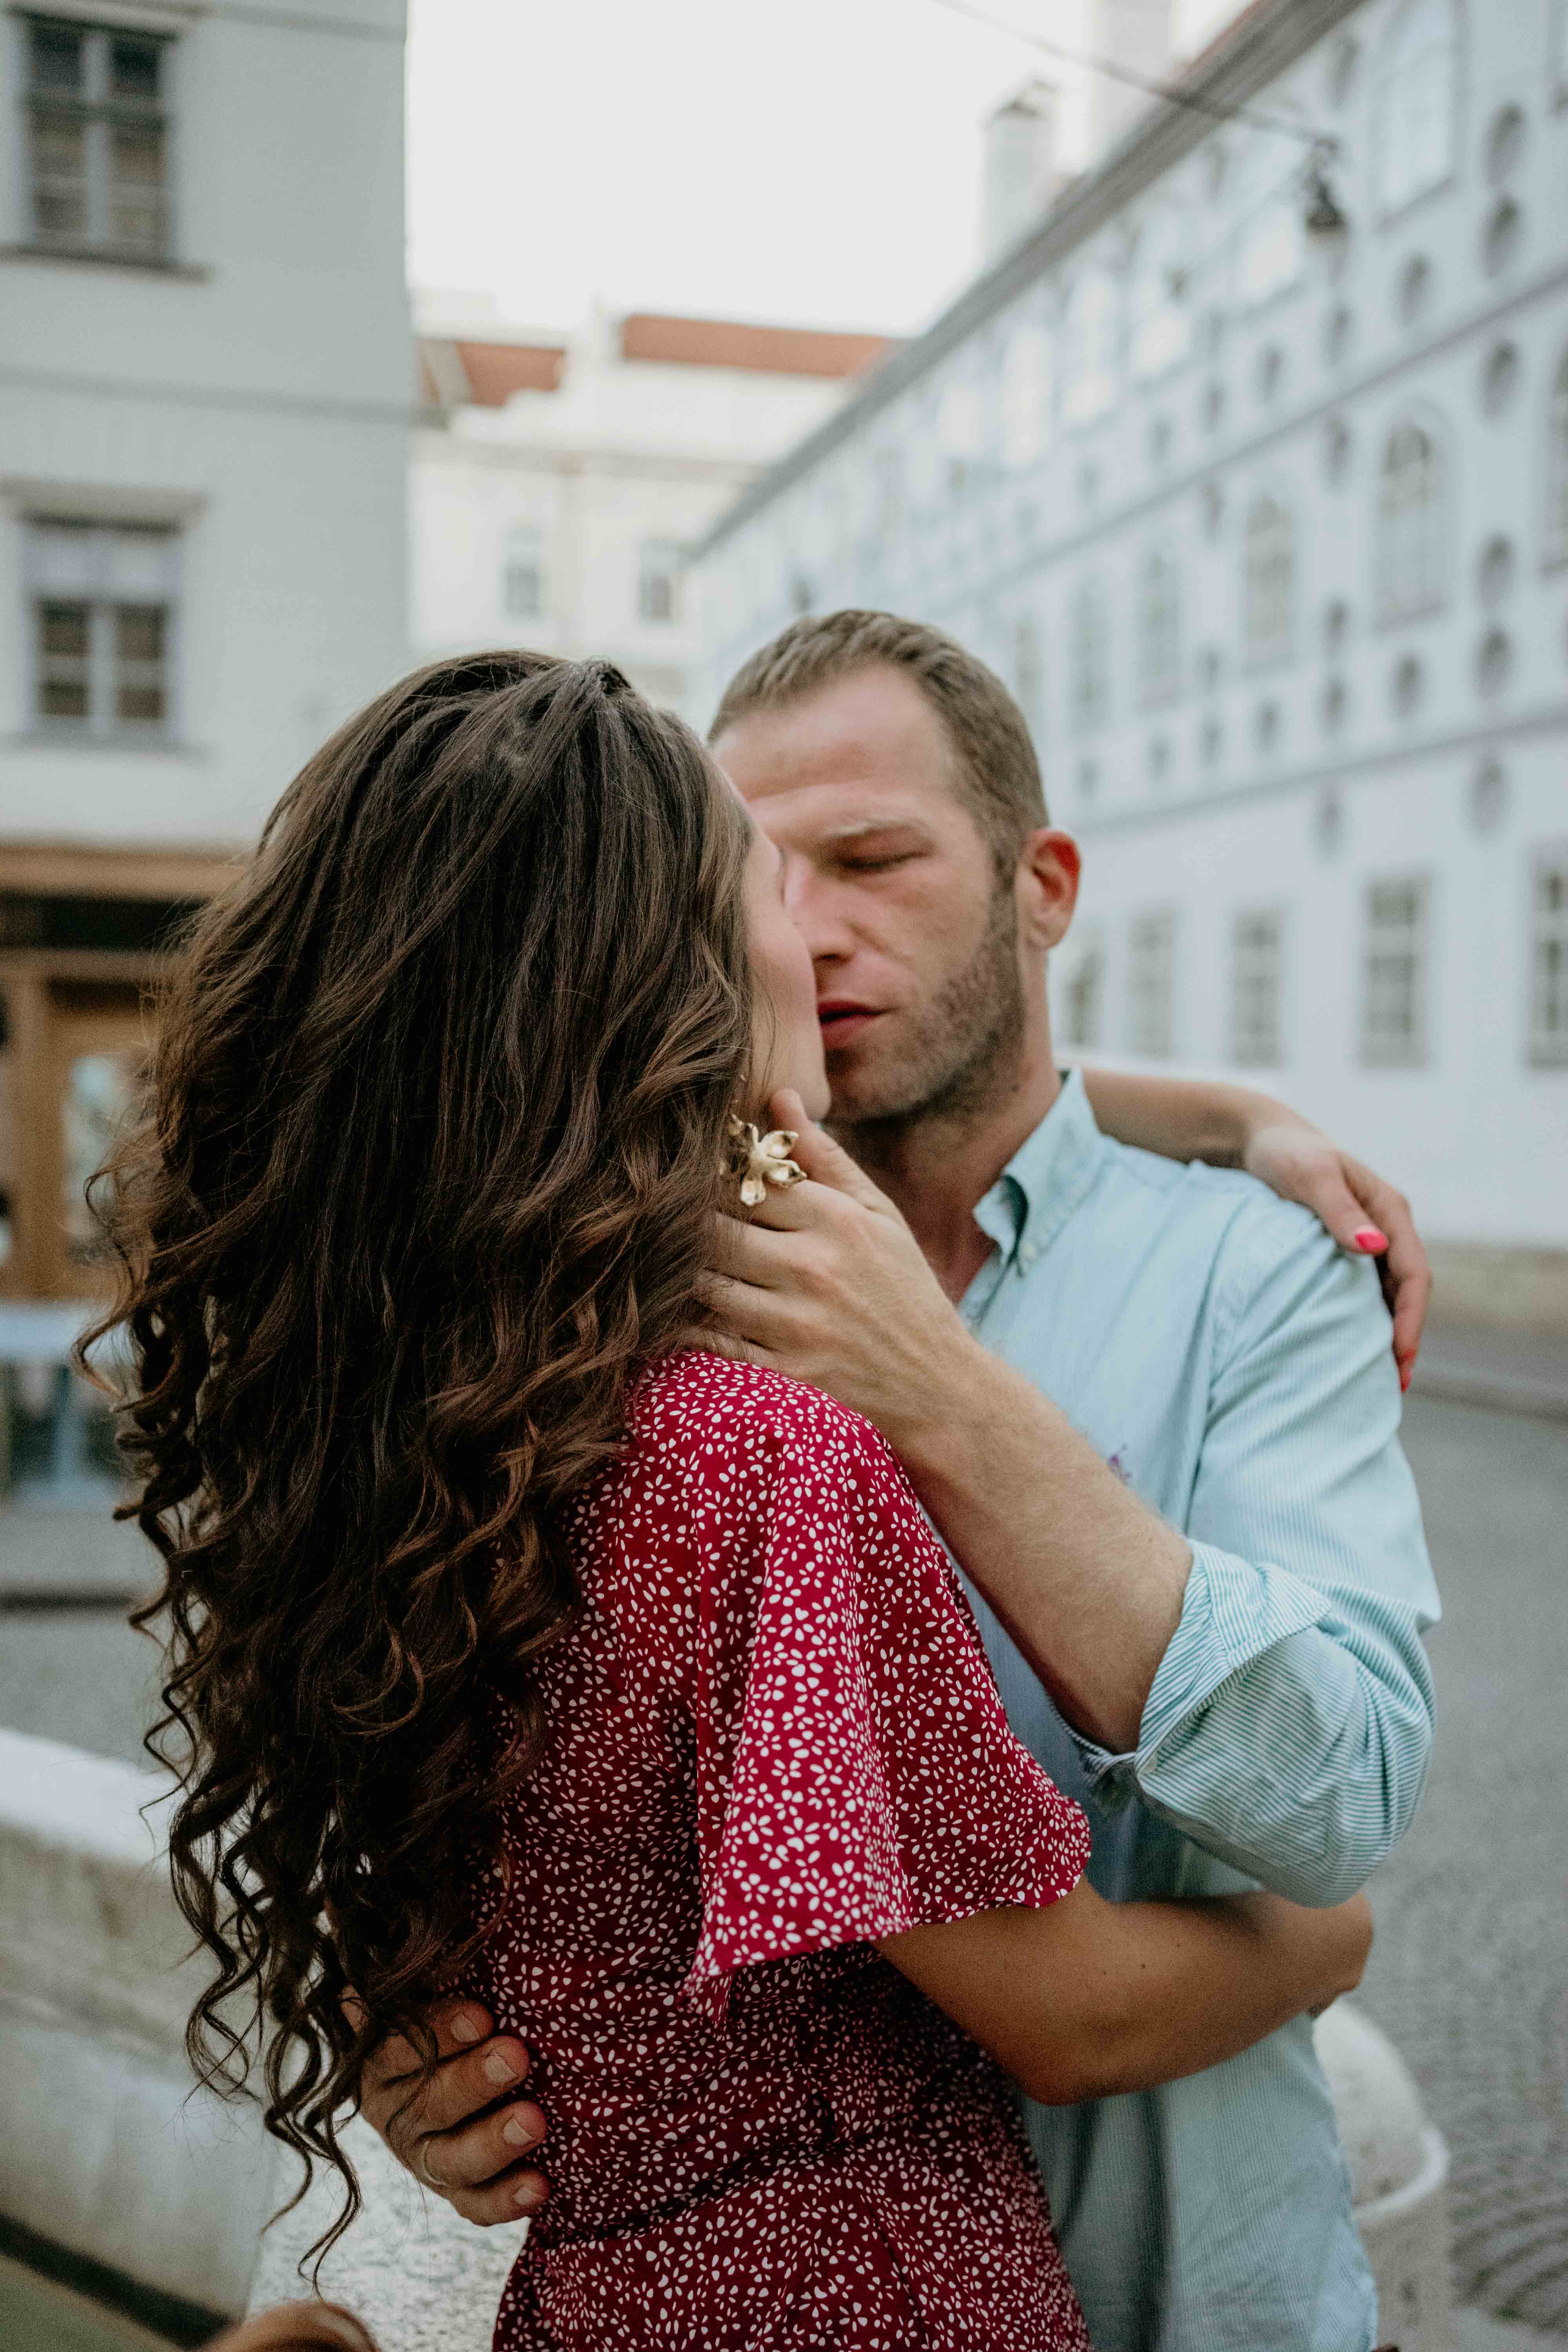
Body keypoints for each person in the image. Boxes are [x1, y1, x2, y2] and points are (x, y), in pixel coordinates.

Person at [90, 650, 1376, 2352]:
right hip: (861, 2283)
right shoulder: (749, 1456)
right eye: (771, 877)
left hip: (600, 2291)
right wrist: (1326, 1940)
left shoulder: (422, 1413)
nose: (818, 936)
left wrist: (1232, 1117)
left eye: (872, 862)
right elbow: (1064, 2014)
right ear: (669, 973)